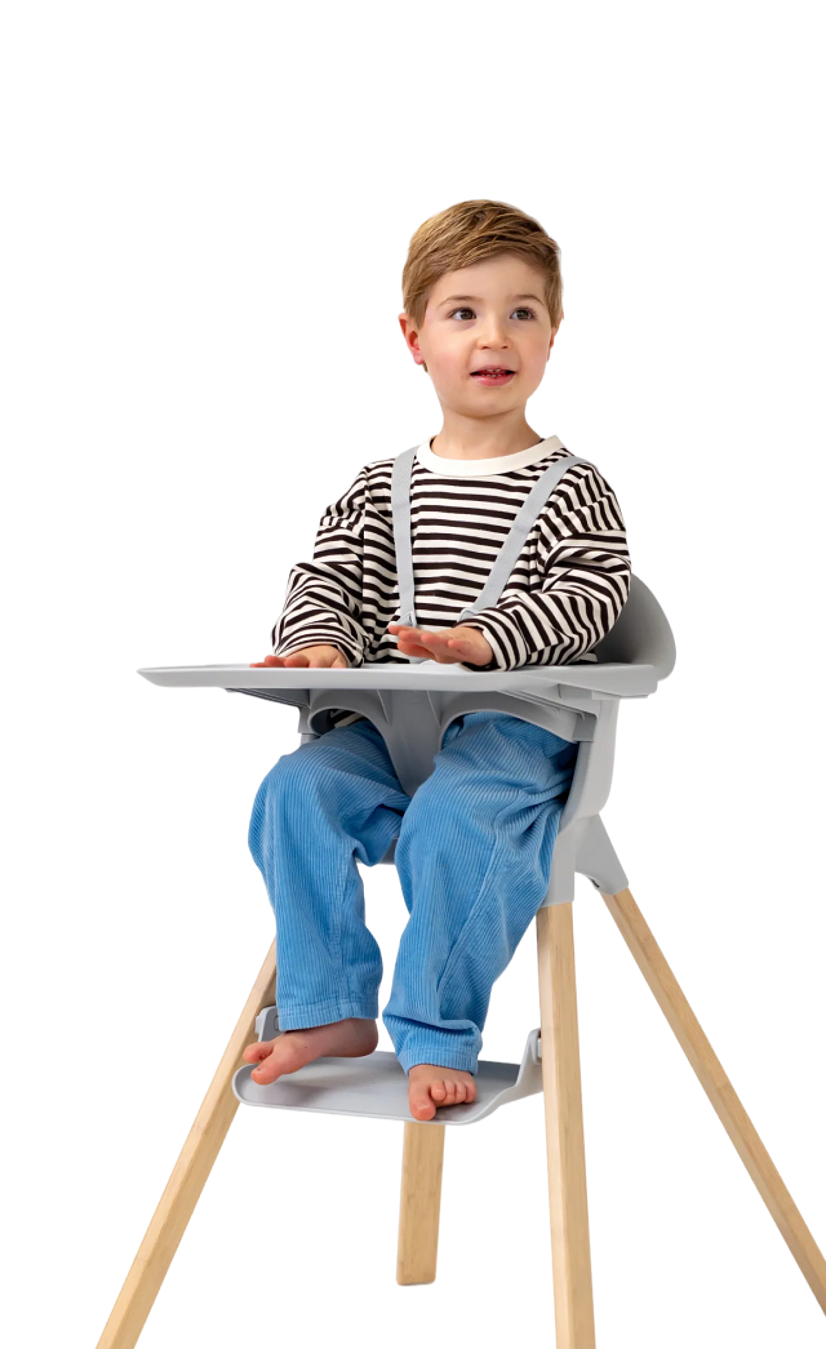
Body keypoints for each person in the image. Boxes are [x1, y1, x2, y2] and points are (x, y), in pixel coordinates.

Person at [242, 198, 631, 1121]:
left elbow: (592, 595)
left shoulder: (573, 487)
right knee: (295, 789)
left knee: (458, 816)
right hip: (387, 730)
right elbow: (327, 575)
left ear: (554, 338)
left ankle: (435, 1032)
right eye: (464, 312)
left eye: (522, 312)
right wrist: (321, 643)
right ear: (416, 341)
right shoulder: (382, 490)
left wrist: (489, 641)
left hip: (511, 733)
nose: (494, 335)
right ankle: (332, 1008)